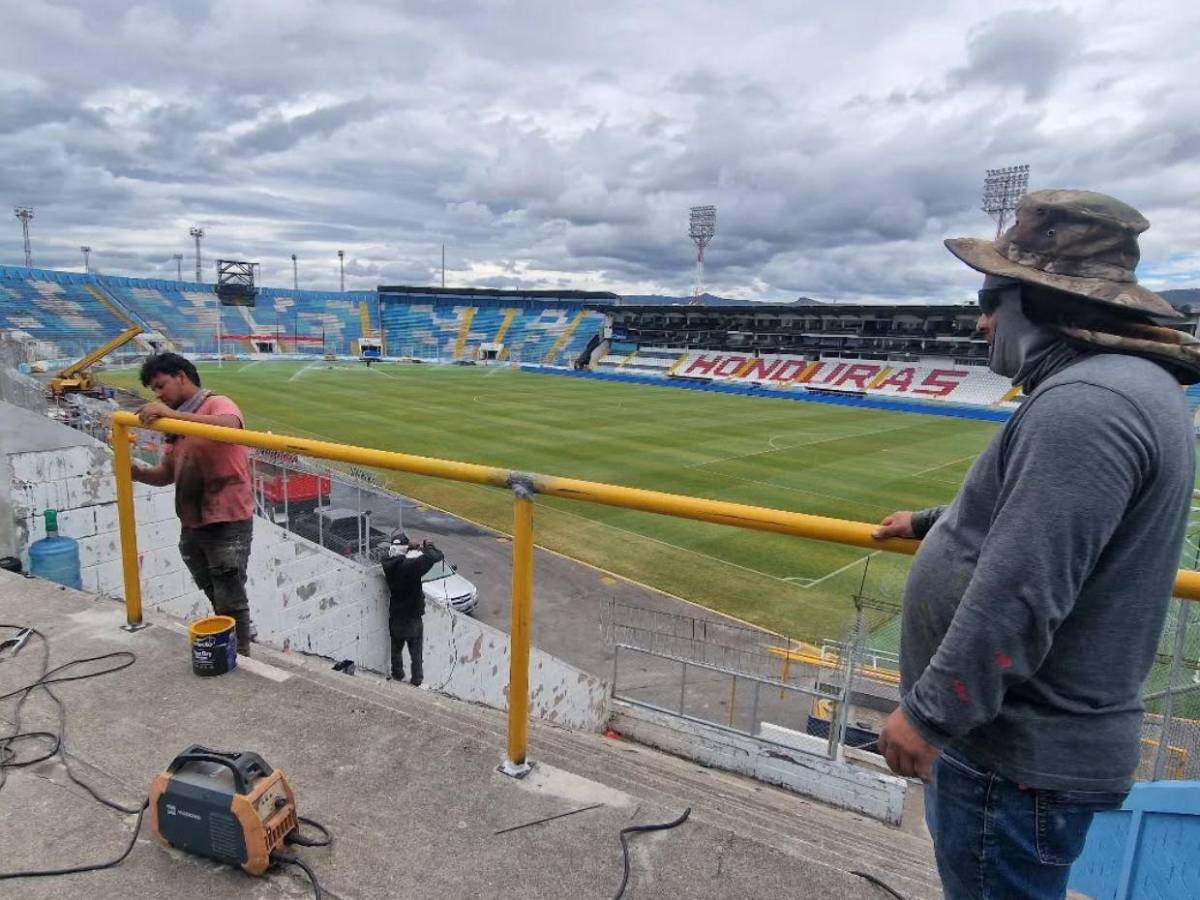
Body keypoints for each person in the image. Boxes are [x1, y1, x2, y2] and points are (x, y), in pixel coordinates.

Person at [873, 190, 1200, 899]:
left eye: (993, 296)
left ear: (1048, 302)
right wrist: (931, 522)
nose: (983, 318)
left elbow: (1023, 588)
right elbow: (1038, 513)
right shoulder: (1122, 390)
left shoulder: (1088, 407)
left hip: (1012, 758)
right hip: (1023, 758)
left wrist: (931, 714)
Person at [129, 353, 256, 655]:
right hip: (194, 522)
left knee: (228, 591)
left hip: (228, 519)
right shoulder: (175, 423)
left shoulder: (215, 403)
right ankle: (235, 639)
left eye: (161, 386)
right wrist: (135, 472)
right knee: (215, 590)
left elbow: (230, 425)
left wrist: (172, 416)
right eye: (154, 391)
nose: (158, 396)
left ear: (181, 377)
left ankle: (241, 655)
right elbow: (166, 475)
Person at [381, 534, 443, 686]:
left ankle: (397, 675)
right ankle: (416, 680)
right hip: (412, 617)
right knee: (416, 653)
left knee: (396, 650)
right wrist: (427, 546)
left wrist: (408, 548)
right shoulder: (410, 567)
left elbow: (396, 555)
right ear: (405, 549)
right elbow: (436, 556)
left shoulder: (387, 564)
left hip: (396, 615)